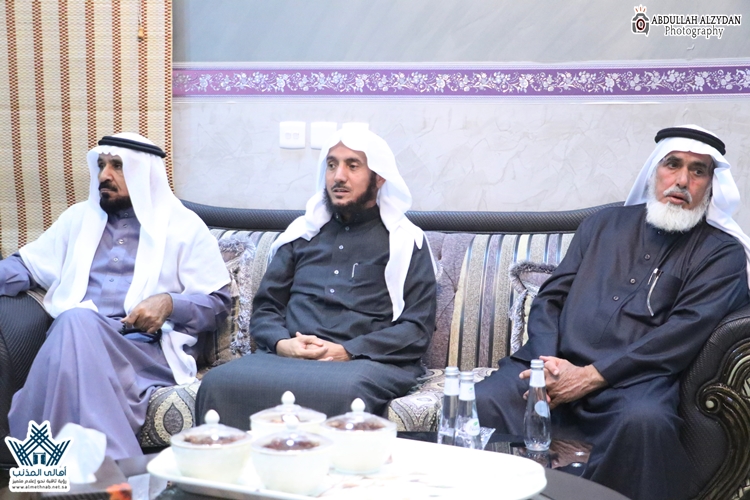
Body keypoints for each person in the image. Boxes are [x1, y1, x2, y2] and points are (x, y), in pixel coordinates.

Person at [475, 125, 750, 500]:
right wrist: (547, 366)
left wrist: (592, 376)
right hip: (553, 366)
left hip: (633, 382)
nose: (682, 180)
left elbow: (686, 330)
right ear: (655, 171)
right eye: (673, 164)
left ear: (711, 185)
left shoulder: (722, 253)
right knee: (485, 399)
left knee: (645, 424)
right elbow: (551, 298)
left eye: (698, 171)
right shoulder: (603, 224)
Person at [3, 133, 231, 459]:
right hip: (75, 338)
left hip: (145, 350)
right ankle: (113, 474)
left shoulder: (183, 227)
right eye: (101, 165)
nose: (104, 176)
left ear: (144, 173)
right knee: (76, 323)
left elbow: (217, 304)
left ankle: (55, 468)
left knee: (74, 323)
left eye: (117, 166)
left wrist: (169, 303)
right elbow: (25, 266)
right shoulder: (79, 219)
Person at [196, 129, 437, 428]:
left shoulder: (404, 242)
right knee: (219, 382)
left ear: (379, 178)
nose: (338, 176)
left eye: (352, 166)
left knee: (343, 391)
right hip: (288, 357)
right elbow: (267, 308)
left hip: (366, 362)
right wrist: (283, 344)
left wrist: (348, 351)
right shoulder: (302, 235)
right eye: (332, 165)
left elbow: (416, 328)